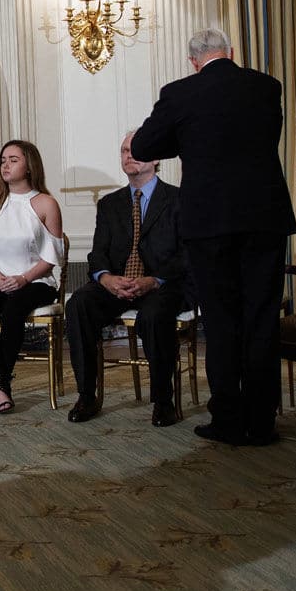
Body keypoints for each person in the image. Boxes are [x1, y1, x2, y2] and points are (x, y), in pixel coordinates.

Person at [131, 27, 296, 447]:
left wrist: (185, 136)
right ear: (232, 53)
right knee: (261, 318)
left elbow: (147, 144)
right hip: (265, 216)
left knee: (222, 319)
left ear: (193, 61)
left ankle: (227, 417)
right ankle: (261, 421)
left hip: (209, 222)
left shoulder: (180, 93)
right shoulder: (266, 86)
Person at [65, 132, 188, 428]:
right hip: (117, 283)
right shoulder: (109, 204)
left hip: (163, 284)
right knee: (79, 304)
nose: (128, 155)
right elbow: (98, 254)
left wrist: (154, 280)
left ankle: (163, 401)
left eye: (136, 150)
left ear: (156, 158)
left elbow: (187, 255)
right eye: (123, 151)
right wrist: (105, 278)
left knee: (155, 315)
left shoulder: (178, 199)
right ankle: (86, 395)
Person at [0, 140, 63, 415]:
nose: (5, 165)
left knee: (13, 310)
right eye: (2, 160)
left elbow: (51, 258)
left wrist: (22, 279)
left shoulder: (46, 203)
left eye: (13, 160)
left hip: (37, 281)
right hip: (1, 279)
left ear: (29, 165)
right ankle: (0, 383)